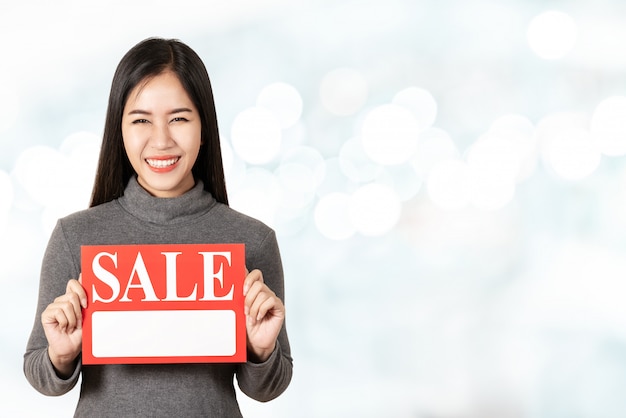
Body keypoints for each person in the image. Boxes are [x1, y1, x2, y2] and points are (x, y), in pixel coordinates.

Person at [24, 37, 293, 417]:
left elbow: (267, 388)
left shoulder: (252, 241)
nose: (161, 140)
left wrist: (261, 349)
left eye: (179, 118)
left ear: (204, 127)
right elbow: (39, 371)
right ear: (120, 128)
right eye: (141, 120)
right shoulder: (76, 237)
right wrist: (62, 353)